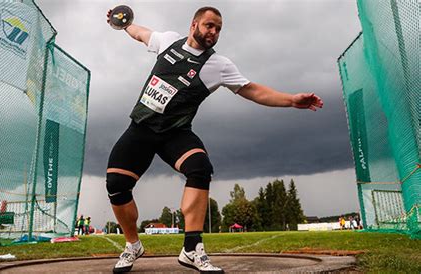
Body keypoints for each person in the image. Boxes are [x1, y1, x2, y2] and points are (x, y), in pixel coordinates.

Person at [105, 6, 323, 273]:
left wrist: (291, 100)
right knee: (116, 184)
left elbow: (252, 90)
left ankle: (191, 248)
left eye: (218, 28)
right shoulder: (168, 41)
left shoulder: (217, 65)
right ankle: (133, 245)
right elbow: (141, 33)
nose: (214, 32)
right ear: (194, 24)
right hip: (141, 128)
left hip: (176, 133)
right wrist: (123, 23)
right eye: (209, 25)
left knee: (200, 168)